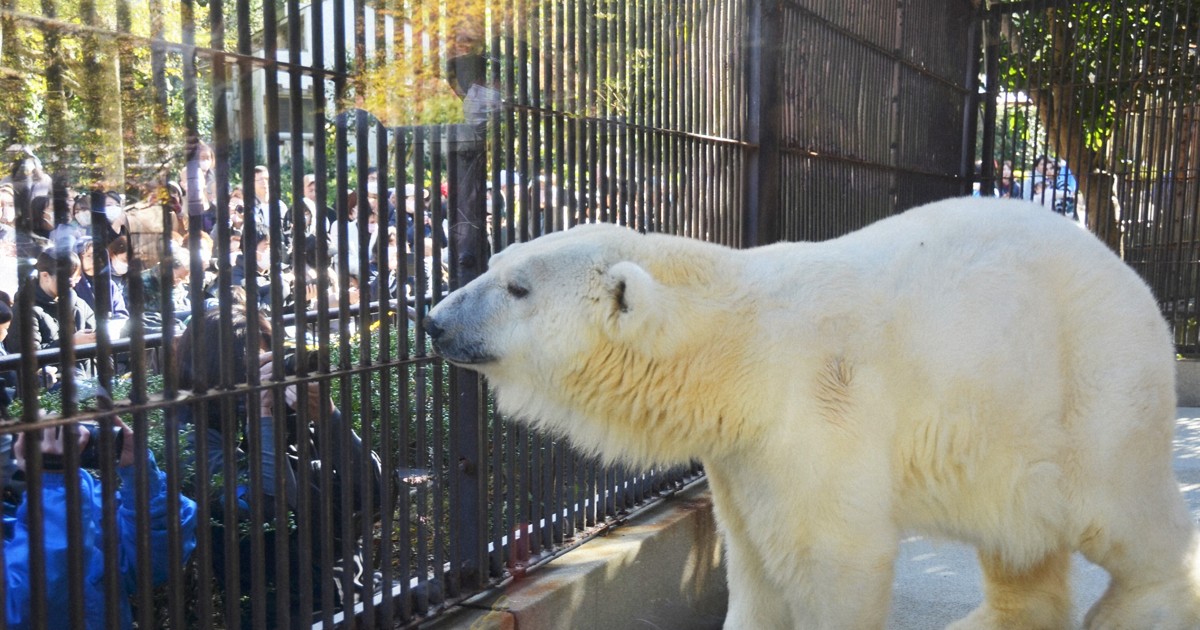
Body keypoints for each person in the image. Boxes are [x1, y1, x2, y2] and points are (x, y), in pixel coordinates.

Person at [3, 418, 198, 630]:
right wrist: (55, 487)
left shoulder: (58, 485)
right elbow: (23, 612)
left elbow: (150, 565)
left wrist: (138, 472)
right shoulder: (56, 488)